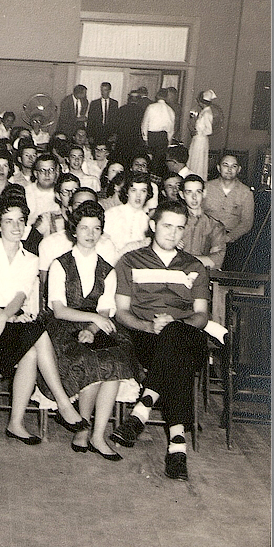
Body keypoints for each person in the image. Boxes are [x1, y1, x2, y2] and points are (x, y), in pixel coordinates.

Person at [0, 200, 90, 445]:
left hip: (11, 319)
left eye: (20, 221)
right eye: (8, 221)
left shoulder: (30, 259)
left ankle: (16, 424)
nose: (15, 226)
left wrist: (6, 318)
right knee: (36, 334)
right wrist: (2, 318)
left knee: (32, 351)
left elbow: (20, 296)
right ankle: (63, 403)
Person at [110, 203, 210, 481]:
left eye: (180, 227)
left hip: (188, 336)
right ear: (153, 225)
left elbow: (201, 316)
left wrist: (175, 325)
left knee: (175, 336)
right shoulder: (130, 261)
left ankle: (143, 408)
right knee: (174, 358)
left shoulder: (194, 266)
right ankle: (177, 444)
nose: (173, 233)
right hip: (145, 337)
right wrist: (148, 325)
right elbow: (121, 312)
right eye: (167, 225)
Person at [45, 200, 142, 460]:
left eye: (96, 229)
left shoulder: (107, 270)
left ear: (101, 232)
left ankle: (98, 435)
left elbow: (105, 310)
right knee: (88, 359)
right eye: (84, 228)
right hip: (63, 327)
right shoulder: (59, 265)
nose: (90, 234)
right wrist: (90, 321)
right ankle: (82, 428)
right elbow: (58, 310)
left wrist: (92, 326)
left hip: (96, 325)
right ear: (73, 230)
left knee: (115, 359)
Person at [202, 152, 255, 243]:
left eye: (234, 166)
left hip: (231, 240)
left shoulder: (246, 193)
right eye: (225, 165)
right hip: (204, 235)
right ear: (219, 168)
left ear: (239, 169)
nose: (229, 169)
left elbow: (247, 223)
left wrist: (229, 237)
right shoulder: (206, 187)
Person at [178, 175, 226, 269]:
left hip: (203, 276)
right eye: (189, 192)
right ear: (182, 194)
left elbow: (216, 262)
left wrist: (181, 259)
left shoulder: (215, 226)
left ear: (204, 193)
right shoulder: (174, 223)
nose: (194, 197)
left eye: (198, 192)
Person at [103, 171, 154, 260]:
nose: (138, 195)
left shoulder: (148, 221)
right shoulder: (111, 214)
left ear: (147, 194)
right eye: (133, 190)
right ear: (127, 192)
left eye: (143, 191)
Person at [140, 89, 176, 177]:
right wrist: (168, 141)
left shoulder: (151, 107)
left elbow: (144, 124)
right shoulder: (170, 110)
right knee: (159, 162)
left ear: (157, 96)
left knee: (149, 160)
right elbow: (171, 129)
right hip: (163, 137)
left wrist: (145, 138)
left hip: (151, 136)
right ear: (166, 97)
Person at [187, 90, 216, 179]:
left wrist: (198, 132)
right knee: (194, 160)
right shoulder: (204, 112)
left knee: (198, 162)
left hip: (200, 141)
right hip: (197, 139)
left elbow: (209, 130)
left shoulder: (207, 113)